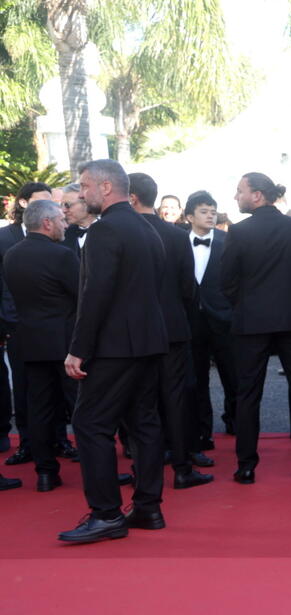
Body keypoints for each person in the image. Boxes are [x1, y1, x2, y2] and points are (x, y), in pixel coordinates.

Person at [60, 159, 169, 543]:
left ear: (106, 188)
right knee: (144, 424)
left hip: (114, 347)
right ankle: (148, 506)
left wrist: (78, 349)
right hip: (149, 342)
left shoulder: (106, 231)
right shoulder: (147, 228)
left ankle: (106, 513)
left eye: (85, 186)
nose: (81, 193)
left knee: (91, 424)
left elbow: (96, 296)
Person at [222, 172, 291, 484]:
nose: (236, 196)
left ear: (257, 195)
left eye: (240, 191)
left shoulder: (239, 232)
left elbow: (226, 281)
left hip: (251, 322)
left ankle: (245, 467)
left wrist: (246, 305)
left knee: (248, 394)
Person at [128, 173, 212, 490]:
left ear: (131, 196)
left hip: (134, 331)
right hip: (173, 328)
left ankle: (143, 469)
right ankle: (181, 467)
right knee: (175, 399)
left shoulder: (119, 233)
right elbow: (188, 289)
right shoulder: (177, 236)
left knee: (139, 401)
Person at [0, 199, 78, 492]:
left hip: (28, 344)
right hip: (66, 344)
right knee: (81, 407)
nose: (65, 224)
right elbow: (81, 296)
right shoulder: (63, 255)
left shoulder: (12, 255)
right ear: (46, 222)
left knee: (40, 409)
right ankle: (99, 469)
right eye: (61, 219)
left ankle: (46, 473)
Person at [1, 181, 54, 467]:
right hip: (17, 328)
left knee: (57, 388)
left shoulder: (58, 235)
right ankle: (28, 444)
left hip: (55, 329)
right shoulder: (3, 238)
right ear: (23, 203)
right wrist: (9, 322)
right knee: (23, 388)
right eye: (40, 200)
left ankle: (58, 440)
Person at [183, 190, 236, 450]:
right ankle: (202, 432)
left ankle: (235, 422)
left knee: (232, 373)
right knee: (196, 379)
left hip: (224, 318)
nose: (210, 216)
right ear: (190, 216)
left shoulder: (229, 240)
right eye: (204, 211)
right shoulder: (178, 241)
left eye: (213, 211)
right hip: (191, 320)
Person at [61, 182, 96, 260]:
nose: (63, 210)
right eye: (62, 205)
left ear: (87, 204)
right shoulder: (64, 235)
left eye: (67, 205)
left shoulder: (108, 231)